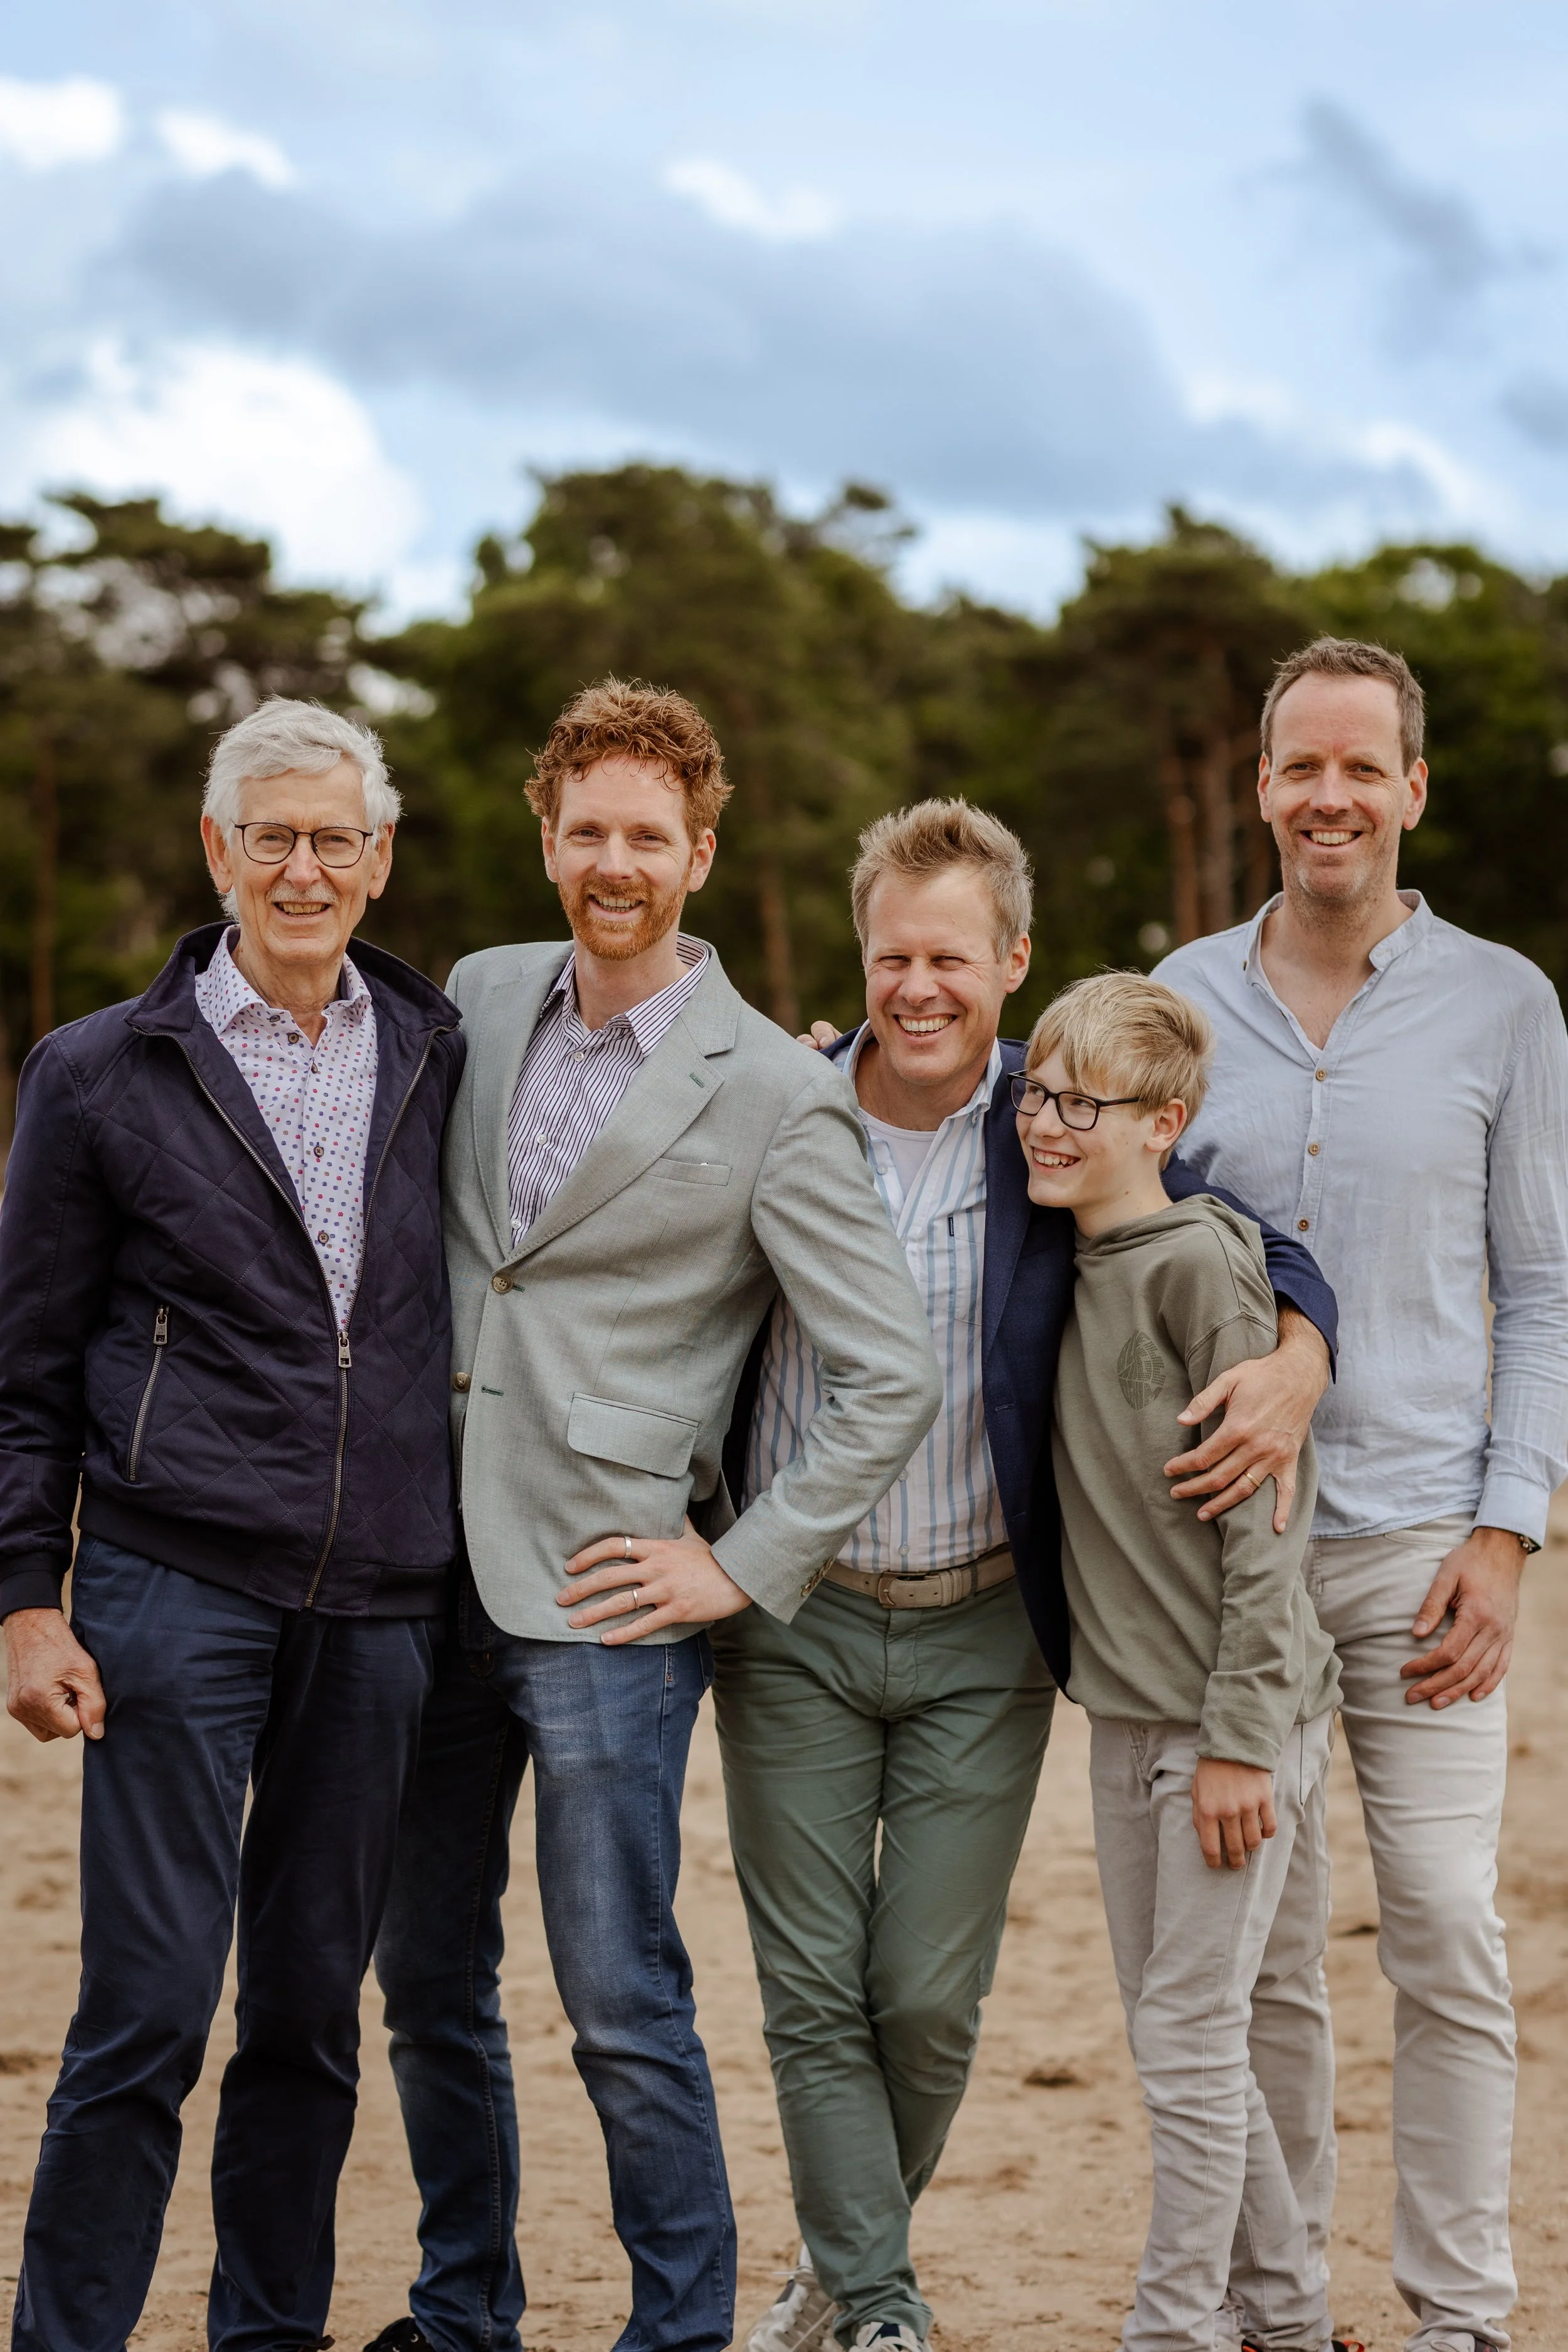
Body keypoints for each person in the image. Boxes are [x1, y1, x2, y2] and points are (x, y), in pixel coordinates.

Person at [366, 679, 944, 2352]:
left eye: (647, 834)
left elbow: (886, 1372)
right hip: (423, 1562)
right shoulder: (473, 994)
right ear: (547, 834)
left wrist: (735, 1559)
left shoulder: (772, 1087)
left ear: (698, 850)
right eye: (586, 828)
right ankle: (460, 2306)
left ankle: (677, 2323)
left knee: (620, 1995)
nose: (613, 859)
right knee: (428, 1980)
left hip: (613, 1585)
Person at [718, 800, 1340, 2352]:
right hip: (793, 1618)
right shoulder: (775, 1105)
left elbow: (1246, 1250)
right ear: (860, 960)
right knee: (809, 1995)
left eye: (948, 956)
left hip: (988, 1625)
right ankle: (867, 2296)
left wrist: (1300, 1359)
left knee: (926, 2000)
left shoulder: (1050, 1122)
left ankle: (1199, 2307)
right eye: (888, 957)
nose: (915, 987)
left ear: (1006, 962)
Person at [0, 701, 465, 2352]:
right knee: (142, 2009)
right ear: (218, 849)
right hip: (168, 1582)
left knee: (306, 2018)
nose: (302, 864)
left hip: (378, 1608)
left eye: (334, 835)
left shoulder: (436, 1054)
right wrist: (23, 1600)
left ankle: (267, 2333)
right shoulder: (98, 1073)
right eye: (269, 832)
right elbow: (25, 1363)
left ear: (379, 855)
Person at [1155, 637, 1568, 2352]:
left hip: (1421, 1540)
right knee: (1255, 1961)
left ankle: (1458, 2314)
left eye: (1359, 767)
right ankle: (1278, 2307)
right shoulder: (1174, 996)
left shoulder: (1502, 1004)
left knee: (1449, 1931)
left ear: (1411, 789)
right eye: (1296, 766)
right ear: (1261, 788)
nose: (1327, 795)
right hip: (1231, 1551)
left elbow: (1541, 1286)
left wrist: (1506, 1527)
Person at [1019, 970, 1342, 2352]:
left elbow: (1271, 1521)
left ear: (1165, 1122)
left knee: (1189, 2038)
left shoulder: (1198, 1268)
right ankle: (1283, 2314)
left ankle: (1174, 2330)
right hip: (1128, 1718)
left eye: (1079, 1104)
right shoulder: (1071, 1252)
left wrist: (1235, 1738)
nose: (1043, 1123)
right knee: (1183, 2033)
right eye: (1036, 1093)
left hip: (1225, 1721)